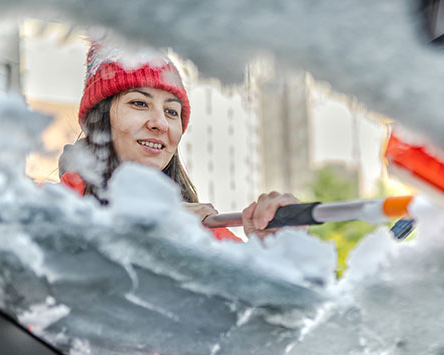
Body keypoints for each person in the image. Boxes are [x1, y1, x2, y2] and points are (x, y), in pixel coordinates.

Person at [59, 42, 298, 241]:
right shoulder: (53, 210)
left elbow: (278, 295)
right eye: (139, 103)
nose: (160, 124)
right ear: (99, 119)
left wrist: (274, 252)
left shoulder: (199, 229)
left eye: (172, 112)